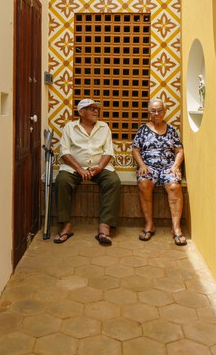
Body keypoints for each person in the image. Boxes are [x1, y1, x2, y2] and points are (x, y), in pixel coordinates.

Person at [54, 98, 121, 245]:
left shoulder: (104, 127)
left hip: (99, 167)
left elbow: (108, 151)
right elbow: (64, 152)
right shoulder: (69, 128)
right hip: (73, 168)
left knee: (113, 181)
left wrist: (99, 168)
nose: (96, 111)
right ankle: (66, 225)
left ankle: (104, 226)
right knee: (62, 181)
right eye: (92, 108)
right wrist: (79, 169)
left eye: (97, 108)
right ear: (81, 112)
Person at [131, 98, 186, 246]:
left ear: (164, 111)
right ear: (149, 113)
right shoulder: (143, 129)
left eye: (160, 110)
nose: (157, 113)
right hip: (149, 167)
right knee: (144, 183)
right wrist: (141, 165)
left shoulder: (171, 130)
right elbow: (135, 150)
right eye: (153, 111)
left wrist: (175, 166)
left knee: (175, 187)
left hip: (168, 167)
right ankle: (149, 225)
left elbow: (179, 150)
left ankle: (176, 228)